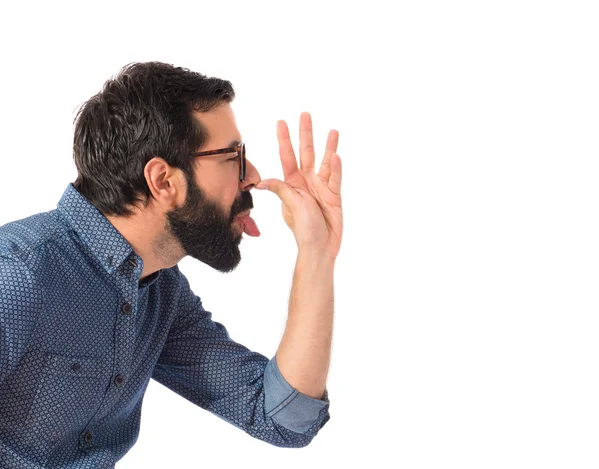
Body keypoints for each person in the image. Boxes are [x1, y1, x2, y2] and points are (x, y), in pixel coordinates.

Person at [0, 61, 343, 467]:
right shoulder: (16, 274)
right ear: (163, 181)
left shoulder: (159, 292)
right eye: (234, 156)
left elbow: (281, 418)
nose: (252, 176)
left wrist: (316, 252)